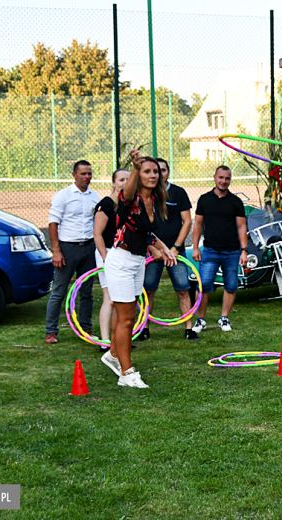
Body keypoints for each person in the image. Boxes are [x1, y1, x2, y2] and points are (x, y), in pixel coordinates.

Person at [100, 151, 176, 388]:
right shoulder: (129, 199)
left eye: (156, 171)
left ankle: (113, 355)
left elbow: (145, 232)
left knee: (126, 317)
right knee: (127, 319)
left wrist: (163, 248)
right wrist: (133, 168)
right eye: (147, 171)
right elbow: (127, 193)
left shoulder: (153, 201)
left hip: (136, 262)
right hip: (121, 261)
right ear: (139, 174)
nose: (153, 175)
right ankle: (127, 372)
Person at [139, 158, 198, 341]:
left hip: (176, 253)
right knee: (148, 290)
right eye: (155, 171)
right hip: (152, 253)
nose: (159, 174)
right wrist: (154, 249)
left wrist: (175, 248)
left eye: (162, 170)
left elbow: (187, 221)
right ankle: (144, 328)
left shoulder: (178, 193)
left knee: (182, 289)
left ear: (168, 172)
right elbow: (141, 226)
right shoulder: (145, 195)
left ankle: (189, 329)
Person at [44, 160, 101, 344]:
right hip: (67, 249)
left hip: (89, 248)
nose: (87, 177)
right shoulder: (63, 196)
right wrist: (57, 251)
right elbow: (53, 224)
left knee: (87, 291)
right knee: (59, 291)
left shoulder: (95, 197)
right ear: (74, 175)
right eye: (83, 174)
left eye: (89, 174)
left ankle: (86, 328)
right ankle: (51, 331)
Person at [191, 165, 248, 334]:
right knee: (204, 285)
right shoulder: (204, 199)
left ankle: (224, 318)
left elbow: (241, 227)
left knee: (231, 286)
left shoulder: (235, 202)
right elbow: (198, 225)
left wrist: (244, 250)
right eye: (221, 177)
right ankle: (201, 320)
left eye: (227, 178)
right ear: (214, 178)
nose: (224, 181)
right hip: (210, 251)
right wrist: (195, 247)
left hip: (231, 252)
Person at [93, 168, 130, 351]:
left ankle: (118, 339)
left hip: (123, 254)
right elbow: (97, 234)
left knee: (121, 299)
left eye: (128, 180)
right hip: (107, 253)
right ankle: (105, 341)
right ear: (113, 183)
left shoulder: (129, 204)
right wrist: (105, 257)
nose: (125, 183)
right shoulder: (106, 204)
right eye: (121, 179)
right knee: (110, 298)